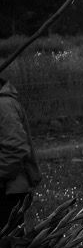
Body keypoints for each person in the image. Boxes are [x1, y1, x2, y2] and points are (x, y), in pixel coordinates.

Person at [0, 78, 41, 229]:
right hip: (7, 186)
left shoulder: (4, 106)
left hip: (8, 189)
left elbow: (16, 148)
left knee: (10, 246)